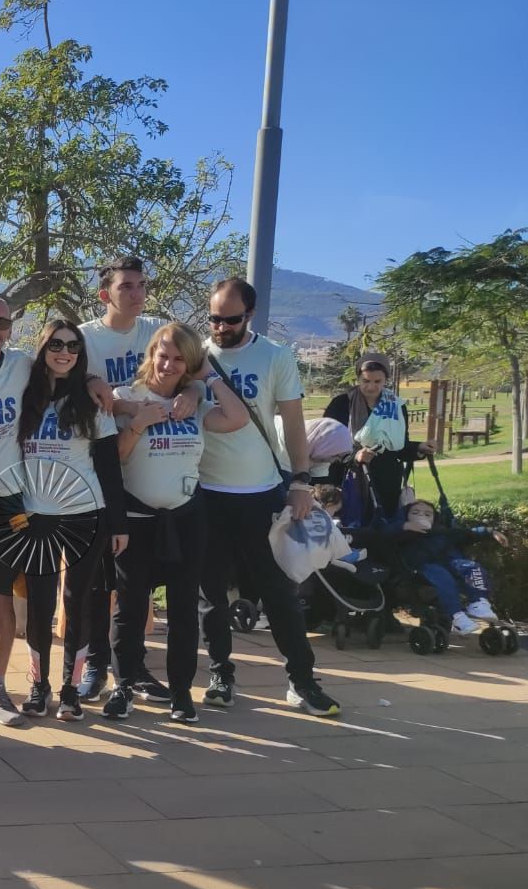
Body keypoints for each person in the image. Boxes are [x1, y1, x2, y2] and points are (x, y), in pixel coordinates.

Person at [197, 278, 340, 717]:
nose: (221, 328)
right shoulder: (196, 356)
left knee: (278, 593)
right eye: (214, 319)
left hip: (260, 493)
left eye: (231, 319)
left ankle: (301, 679)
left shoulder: (276, 356)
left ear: (250, 315)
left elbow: (294, 423)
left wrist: (301, 482)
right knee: (211, 595)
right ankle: (220, 673)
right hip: (206, 493)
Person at [108, 322, 247, 725]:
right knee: (131, 608)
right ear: (151, 354)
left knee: (184, 608)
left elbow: (237, 418)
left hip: (186, 517)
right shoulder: (127, 397)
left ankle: (182, 692)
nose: (168, 365)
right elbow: (114, 457)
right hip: (138, 518)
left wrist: (206, 380)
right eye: (163, 355)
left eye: (179, 359)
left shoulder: (194, 403)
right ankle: (124, 686)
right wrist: (139, 423)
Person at [75, 256, 196, 701]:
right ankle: (93, 665)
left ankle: (133, 670)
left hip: (144, 467)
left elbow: (193, 368)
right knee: (96, 579)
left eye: (141, 285)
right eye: (126, 286)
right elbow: (69, 384)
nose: (136, 293)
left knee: (134, 589)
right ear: (104, 293)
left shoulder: (158, 330)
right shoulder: (84, 338)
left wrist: (193, 390)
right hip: (96, 464)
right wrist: (117, 400)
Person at [15, 320, 127, 722]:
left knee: (77, 601)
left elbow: (109, 465)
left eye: (73, 346)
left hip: (85, 512)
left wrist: (118, 524)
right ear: (43, 348)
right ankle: (38, 686)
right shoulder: (24, 396)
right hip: (37, 514)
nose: (64, 352)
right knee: (40, 602)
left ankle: (69, 690)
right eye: (56, 344)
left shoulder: (92, 400)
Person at [322, 355, 432, 521]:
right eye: (366, 381)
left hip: (387, 481)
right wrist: (355, 456)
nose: (371, 387)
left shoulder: (396, 405)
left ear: (386, 380)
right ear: (358, 378)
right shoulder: (342, 404)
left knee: (385, 526)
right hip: (349, 478)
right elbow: (326, 443)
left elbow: (400, 446)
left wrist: (419, 448)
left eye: (377, 381)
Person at [394, 498, 505, 635]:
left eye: (428, 514)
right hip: (423, 568)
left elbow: (468, 533)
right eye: (415, 513)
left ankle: (479, 603)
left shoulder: (443, 532)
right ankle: (456, 616)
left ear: (434, 519)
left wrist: (490, 532)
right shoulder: (402, 535)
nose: (421, 516)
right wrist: (405, 527)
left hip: (451, 564)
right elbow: (385, 533)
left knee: (472, 566)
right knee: (442, 576)